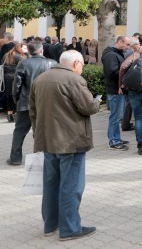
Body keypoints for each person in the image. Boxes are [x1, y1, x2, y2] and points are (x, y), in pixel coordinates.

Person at [29, 50, 99, 241]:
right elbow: (89, 107)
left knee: (51, 184)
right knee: (71, 185)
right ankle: (69, 228)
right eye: (82, 65)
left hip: (48, 140)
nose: (82, 68)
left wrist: (39, 134)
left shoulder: (41, 78)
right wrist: (96, 101)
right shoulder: (73, 80)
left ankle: (50, 224)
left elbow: (33, 112)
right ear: (76, 63)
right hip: (71, 141)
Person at [7, 41, 56, 166]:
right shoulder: (52, 63)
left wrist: (16, 100)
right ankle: (44, 158)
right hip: (46, 104)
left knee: (19, 131)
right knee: (43, 132)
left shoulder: (23, 63)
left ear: (28, 50)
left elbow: (16, 85)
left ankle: (15, 158)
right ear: (42, 50)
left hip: (26, 103)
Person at [101, 36, 131, 151]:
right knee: (115, 117)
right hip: (115, 90)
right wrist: (128, 73)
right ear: (119, 42)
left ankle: (115, 137)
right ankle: (114, 141)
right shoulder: (111, 55)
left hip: (118, 89)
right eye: (127, 45)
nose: (128, 47)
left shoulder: (116, 53)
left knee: (117, 116)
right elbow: (112, 72)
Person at [2, 42, 27, 123]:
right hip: (16, 78)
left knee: (9, 97)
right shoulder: (21, 56)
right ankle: (16, 114)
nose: (25, 49)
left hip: (7, 79)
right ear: (19, 48)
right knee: (17, 96)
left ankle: (9, 116)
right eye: (24, 48)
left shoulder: (7, 55)